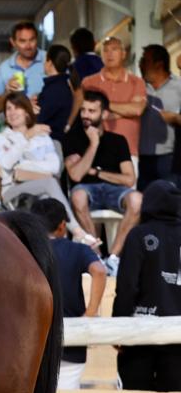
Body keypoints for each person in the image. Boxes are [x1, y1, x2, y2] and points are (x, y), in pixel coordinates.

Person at [0, 93, 98, 247]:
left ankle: (59, 250)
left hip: (41, 188)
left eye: (17, 107)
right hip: (13, 191)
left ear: (27, 111)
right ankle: (77, 232)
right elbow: (7, 164)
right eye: (8, 108)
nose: (12, 112)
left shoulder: (42, 137)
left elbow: (53, 167)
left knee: (47, 193)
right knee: (49, 184)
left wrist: (24, 169)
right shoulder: (0, 138)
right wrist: (26, 137)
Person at [30, 198, 106, 390]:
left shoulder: (23, 250)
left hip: (31, 341)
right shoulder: (78, 249)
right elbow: (99, 271)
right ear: (63, 225)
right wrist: (90, 313)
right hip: (71, 340)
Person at [112, 180, 181, 391]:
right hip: (177, 337)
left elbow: (126, 286)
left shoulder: (138, 235)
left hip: (139, 333)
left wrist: (119, 328)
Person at [66, 90, 143, 274]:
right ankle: (97, 256)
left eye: (92, 111)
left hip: (114, 191)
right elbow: (76, 175)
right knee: (77, 196)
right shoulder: (73, 139)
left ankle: (114, 258)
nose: (86, 115)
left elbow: (129, 178)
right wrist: (93, 144)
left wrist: (96, 172)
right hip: (86, 189)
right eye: (83, 110)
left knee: (138, 200)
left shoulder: (118, 140)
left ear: (104, 114)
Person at [78, 37, 145, 157]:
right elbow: (86, 115)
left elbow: (137, 110)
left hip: (128, 151)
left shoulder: (137, 82)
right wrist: (124, 112)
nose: (109, 54)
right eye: (105, 50)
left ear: (123, 54)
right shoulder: (88, 82)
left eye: (114, 49)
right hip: (95, 150)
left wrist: (103, 104)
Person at [138, 44, 181, 190]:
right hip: (140, 158)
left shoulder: (179, 87)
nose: (140, 63)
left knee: (169, 201)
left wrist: (175, 118)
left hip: (169, 158)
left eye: (145, 60)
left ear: (159, 64)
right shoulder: (138, 87)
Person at [0, 21, 46, 117]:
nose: (28, 46)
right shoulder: (4, 68)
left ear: (37, 39)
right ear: (13, 42)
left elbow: (68, 95)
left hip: (47, 126)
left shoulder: (49, 60)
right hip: (16, 129)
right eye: (22, 41)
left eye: (32, 40)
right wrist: (7, 93)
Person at [37, 45, 73, 145]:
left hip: (52, 143)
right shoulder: (64, 85)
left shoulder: (54, 89)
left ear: (50, 63)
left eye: (45, 60)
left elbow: (41, 117)